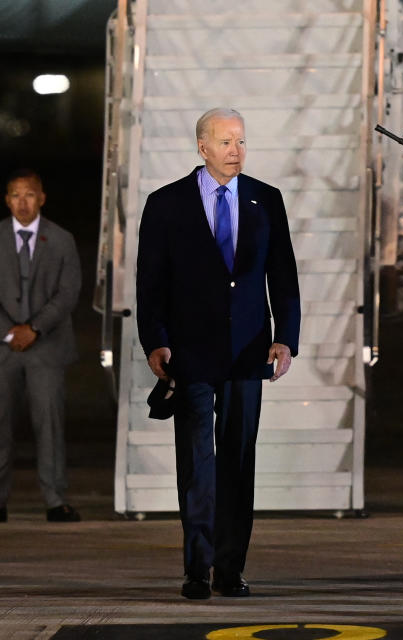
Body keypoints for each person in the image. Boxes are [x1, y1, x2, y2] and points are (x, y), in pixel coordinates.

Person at [136, 107, 301, 600]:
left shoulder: (265, 199)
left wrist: (285, 337)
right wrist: (156, 341)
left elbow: (284, 276)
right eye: (227, 142)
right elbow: (151, 284)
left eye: (242, 142)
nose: (236, 151)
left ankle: (230, 568)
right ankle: (196, 568)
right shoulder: (165, 203)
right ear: (202, 147)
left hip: (249, 350)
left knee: (238, 460)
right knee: (197, 465)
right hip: (190, 352)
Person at [0, 169, 82, 524]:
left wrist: (34, 328)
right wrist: (9, 332)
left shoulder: (62, 240)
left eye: (29, 195)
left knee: (49, 424)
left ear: (42, 198)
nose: (22, 202)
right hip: (2, 348)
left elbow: (68, 293)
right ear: (7, 200)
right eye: (15, 195)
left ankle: (54, 499)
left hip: (46, 348)